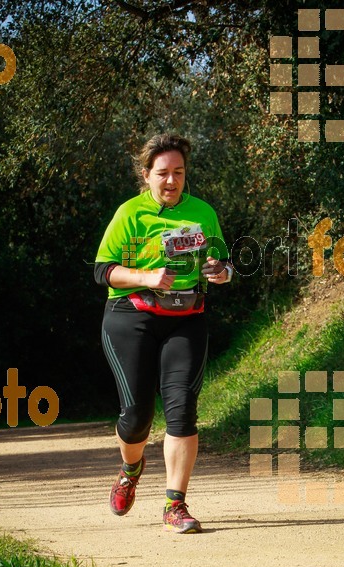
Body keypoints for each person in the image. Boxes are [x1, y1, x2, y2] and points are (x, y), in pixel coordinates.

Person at [94, 133, 233, 533]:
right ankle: (130, 468)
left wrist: (221, 272)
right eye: (162, 173)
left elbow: (221, 260)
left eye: (178, 173)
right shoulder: (129, 214)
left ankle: (175, 505)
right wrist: (147, 276)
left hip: (187, 317)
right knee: (137, 416)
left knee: (182, 407)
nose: (171, 181)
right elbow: (103, 270)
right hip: (130, 316)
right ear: (146, 175)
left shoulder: (203, 213)